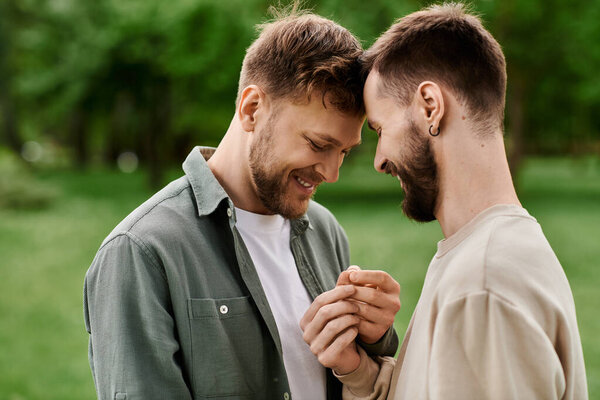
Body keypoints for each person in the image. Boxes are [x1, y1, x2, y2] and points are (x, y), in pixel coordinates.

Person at [83, 5, 401, 400]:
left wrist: (374, 337)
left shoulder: (326, 231)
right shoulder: (141, 252)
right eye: (319, 145)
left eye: (345, 152)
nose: (332, 173)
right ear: (252, 109)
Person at [300, 3, 588, 399]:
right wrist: (358, 370)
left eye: (381, 128)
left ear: (430, 107)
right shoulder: (485, 255)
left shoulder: (483, 286)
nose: (381, 160)